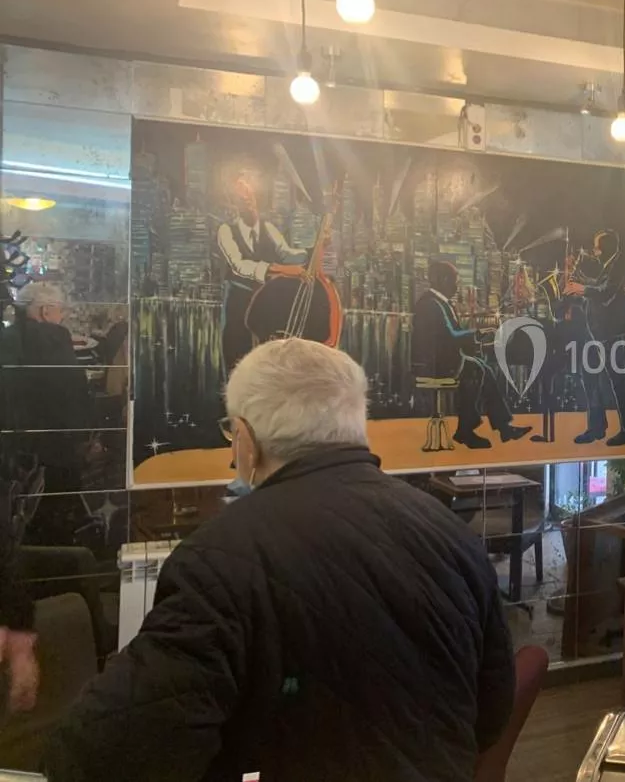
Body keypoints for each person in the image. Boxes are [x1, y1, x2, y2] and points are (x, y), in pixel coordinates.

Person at [45, 338, 515, 782]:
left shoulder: (218, 559)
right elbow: (492, 710)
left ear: (245, 440)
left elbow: (102, 753)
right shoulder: (451, 532)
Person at [410, 260, 531, 450]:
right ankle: (467, 430)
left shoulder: (437, 303)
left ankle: (501, 427)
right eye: (455, 281)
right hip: (434, 365)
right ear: (443, 280)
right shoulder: (431, 305)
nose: (457, 286)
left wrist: (479, 339)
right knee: (476, 370)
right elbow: (450, 336)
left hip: (442, 361)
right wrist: (478, 333)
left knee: (483, 369)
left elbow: (450, 337)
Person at [215, 178, 308, 372]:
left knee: (266, 364)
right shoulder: (226, 231)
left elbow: (287, 254)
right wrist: (280, 269)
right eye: (241, 198)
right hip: (237, 305)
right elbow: (239, 265)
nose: (246, 200)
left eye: (249, 195)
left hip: (264, 303)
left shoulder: (268, 228)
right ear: (234, 203)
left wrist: (314, 249)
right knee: (236, 362)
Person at [565, 230, 625, 446]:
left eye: (597, 247)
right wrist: (580, 285)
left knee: (618, 382)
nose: (594, 252)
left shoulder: (619, 264)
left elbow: (606, 293)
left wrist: (582, 288)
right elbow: (599, 288)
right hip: (598, 333)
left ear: (605, 248)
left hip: (611, 333)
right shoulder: (610, 265)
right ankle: (596, 428)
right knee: (590, 379)